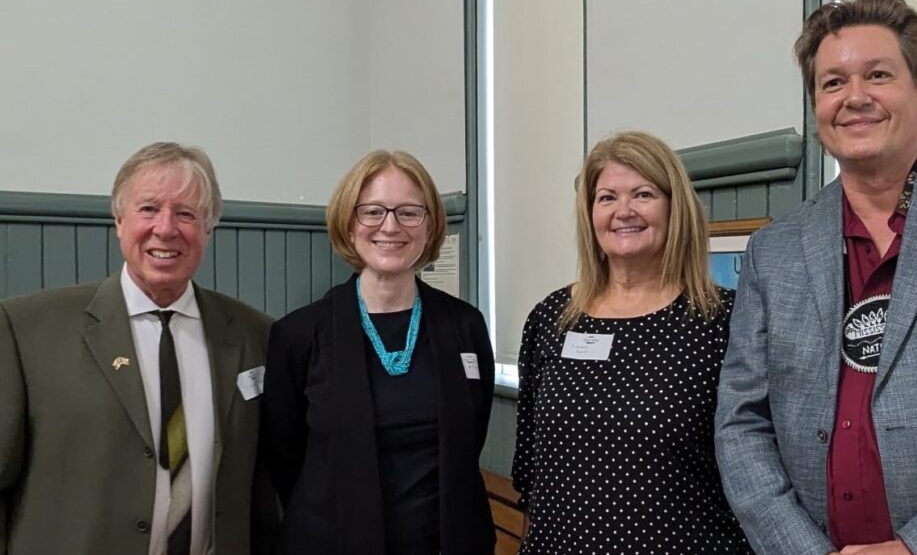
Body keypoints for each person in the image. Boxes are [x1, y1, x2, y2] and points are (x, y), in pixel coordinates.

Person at [715, 0, 917, 554]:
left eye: (877, 75)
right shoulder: (773, 250)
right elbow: (741, 424)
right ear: (816, 109)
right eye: (833, 83)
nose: (854, 97)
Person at [0, 142, 273, 555]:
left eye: (186, 213)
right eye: (148, 209)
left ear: (209, 229)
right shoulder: (27, 330)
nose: (165, 229)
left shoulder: (258, 335)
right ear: (119, 221)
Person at [512, 131, 750, 554]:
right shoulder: (552, 318)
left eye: (643, 194)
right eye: (606, 198)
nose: (624, 211)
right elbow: (532, 468)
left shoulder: (723, 322)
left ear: (675, 208)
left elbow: (756, 462)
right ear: (589, 214)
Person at [262, 149, 495, 554]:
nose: (390, 226)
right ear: (349, 223)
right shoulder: (298, 335)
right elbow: (285, 459)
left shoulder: (464, 326)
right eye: (372, 211)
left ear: (429, 225)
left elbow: (469, 438)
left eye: (409, 212)